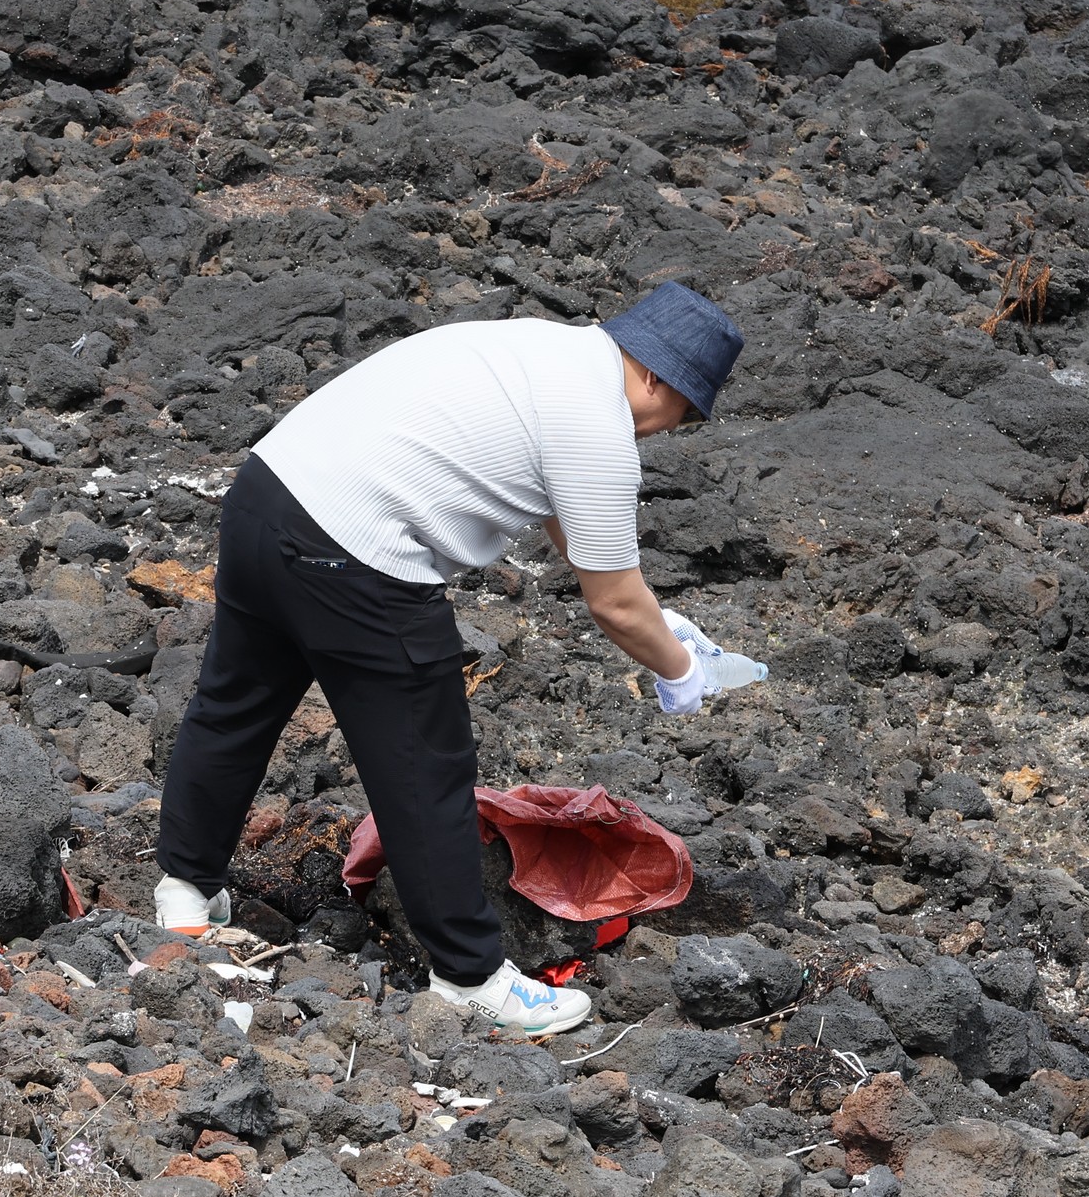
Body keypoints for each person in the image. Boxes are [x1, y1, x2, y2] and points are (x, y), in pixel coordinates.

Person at [149, 283, 745, 1036]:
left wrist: (665, 622)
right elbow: (614, 604)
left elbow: (577, 523)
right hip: (358, 552)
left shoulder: (544, 350)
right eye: (681, 415)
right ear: (658, 376)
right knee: (426, 764)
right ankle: (470, 976)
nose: (664, 433)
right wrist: (680, 670)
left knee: (236, 702)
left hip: (267, 495)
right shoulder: (598, 425)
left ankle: (185, 895)